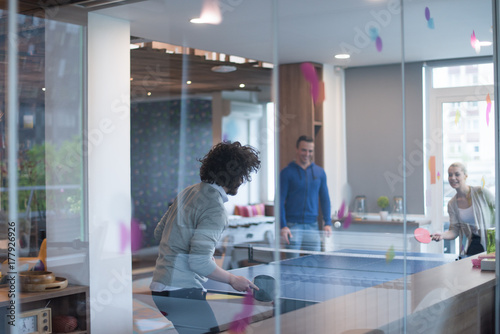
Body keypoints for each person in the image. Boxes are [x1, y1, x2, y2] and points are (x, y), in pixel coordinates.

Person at [150, 141, 261, 334]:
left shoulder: (187, 192)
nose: (242, 181)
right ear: (234, 175)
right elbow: (199, 262)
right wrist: (233, 279)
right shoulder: (215, 209)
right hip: (181, 291)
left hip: (159, 287)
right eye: (242, 175)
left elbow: (159, 233)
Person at [279, 135, 332, 258]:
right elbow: (280, 201)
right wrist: (283, 226)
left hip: (312, 226)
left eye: (310, 151)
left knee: (314, 264)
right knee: (292, 264)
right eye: (304, 150)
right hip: (292, 226)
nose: (307, 154)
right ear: (297, 149)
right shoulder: (287, 173)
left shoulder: (319, 173)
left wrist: (327, 222)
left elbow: (325, 199)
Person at [432, 162, 495, 256]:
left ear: (465, 176)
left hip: (493, 240)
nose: (453, 178)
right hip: (474, 242)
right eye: (450, 175)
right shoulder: (452, 204)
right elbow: (454, 231)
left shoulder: (481, 192)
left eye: (457, 174)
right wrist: (442, 235)